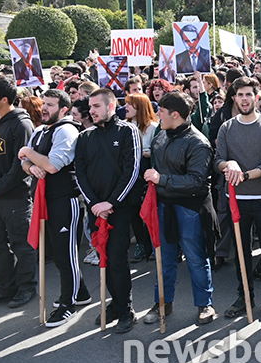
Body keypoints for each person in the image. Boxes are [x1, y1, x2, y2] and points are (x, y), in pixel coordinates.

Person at [142, 91, 218, 326]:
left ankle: (205, 304)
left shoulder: (198, 143)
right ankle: (162, 302)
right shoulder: (162, 136)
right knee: (163, 258)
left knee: (196, 257)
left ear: (175, 115)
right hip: (164, 206)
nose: (158, 115)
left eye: (162, 111)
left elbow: (197, 181)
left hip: (190, 209)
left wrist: (160, 179)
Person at [18, 90, 89, 327]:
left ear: (64, 109)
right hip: (44, 200)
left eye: (50, 104)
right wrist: (30, 166)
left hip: (65, 201)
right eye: (44, 104)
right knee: (56, 253)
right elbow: (24, 161)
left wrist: (29, 155)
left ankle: (67, 303)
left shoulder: (66, 130)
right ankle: (81, 293)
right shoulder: (40, 130)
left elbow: (51, 165)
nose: (44, 108)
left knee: (65, 254)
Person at [74, 89, 142, 333]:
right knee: (104, 259)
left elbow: (132, 170)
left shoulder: (127, 131)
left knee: (117, 260)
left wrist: (111, 202)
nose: (91, 111)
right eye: (90, 107)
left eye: (96, 106)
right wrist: (93, 203)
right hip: (96, 210)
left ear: (111, 107)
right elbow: (79, 172)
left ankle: (126, 310)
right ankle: (116, 302)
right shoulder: (85, 137)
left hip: (119, 210)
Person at [215, 77, 261, 319]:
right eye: (240, 94)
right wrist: (228, 165)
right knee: (241, 250)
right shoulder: (227, 127)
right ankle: (245, 297)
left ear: (257, 97)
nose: (244, 99)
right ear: (234, 98)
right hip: (236, 200)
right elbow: (217, 160)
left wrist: (242, 174)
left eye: (248, 95)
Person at [0, 76, 36, 309]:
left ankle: (26, 287)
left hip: (15, 196)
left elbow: (21, 167)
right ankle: (5, 286)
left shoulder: (22, 124)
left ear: (4, 98)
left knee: (21, 243)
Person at [124, 93, 159, 262]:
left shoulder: (152, 127)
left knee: (149, 210)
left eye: (130, 104)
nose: (126, 108)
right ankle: (140, 243)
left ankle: (153, 244)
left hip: (146, 171)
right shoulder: (125, 126)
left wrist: (147, 153)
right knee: (133, 210)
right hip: (131, 172)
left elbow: (158, 150)